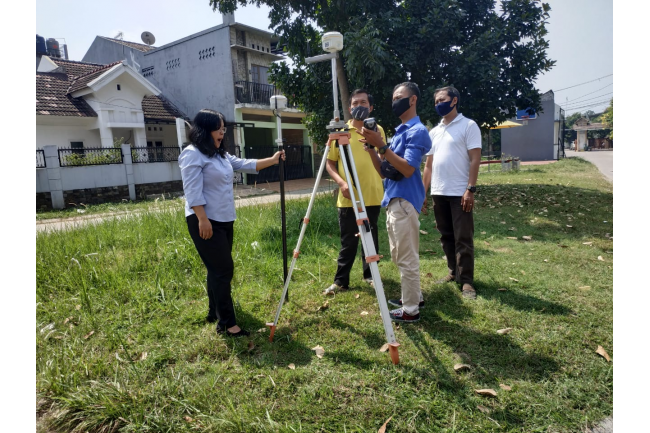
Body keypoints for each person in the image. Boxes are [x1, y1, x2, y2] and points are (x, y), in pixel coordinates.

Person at [179, 109, 285, 337]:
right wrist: (202, 219)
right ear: (205, 130)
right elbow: (192, 190)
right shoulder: (192, 154)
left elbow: (246, 164)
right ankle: (227, 324)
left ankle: (214, 311)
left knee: (216, 268)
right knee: (223, 269)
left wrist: (273, 160)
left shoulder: (221, 155)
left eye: (223, 128)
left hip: (225, 219)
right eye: (218, 129)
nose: (222, 133)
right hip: (205, 220)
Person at [360, 82, 432, 323]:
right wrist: (372, 149)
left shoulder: (417, 131)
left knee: (406, 257)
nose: (394, 102)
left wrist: (382, 146)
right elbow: (384, 171)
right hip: (394, 200)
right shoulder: (400, 131)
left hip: (404, 201)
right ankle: (414, 297)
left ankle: (411, 310)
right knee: (400, 254)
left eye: (399, 97)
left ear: (412, 100)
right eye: (392, 98)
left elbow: (409, 169)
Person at [323, 89, 387, 295]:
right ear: (350, 108)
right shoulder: (341, 132)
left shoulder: (378, 129)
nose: (359, 106)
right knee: (348, 240)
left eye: (363, 103)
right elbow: (330, 163)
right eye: (355, 103)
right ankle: (341, 281)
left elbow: (383, 157)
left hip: (372, 194)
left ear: (371, 107)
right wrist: (342, 183)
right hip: (348, 196)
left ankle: (370, 275)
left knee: (371, 238)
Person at [422, 86, 481, 299]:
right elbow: (428, 165)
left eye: (442, 100)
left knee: (463, 237)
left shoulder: (468, 125)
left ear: (454, 100)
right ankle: (453, 272)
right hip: (439, 192)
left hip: (459, 192)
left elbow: (475, 159)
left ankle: (467, 282)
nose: (439, 104)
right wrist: (423, 193)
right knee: (446, 236)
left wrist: (470, 189)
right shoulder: (434, 132)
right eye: (436, 101)